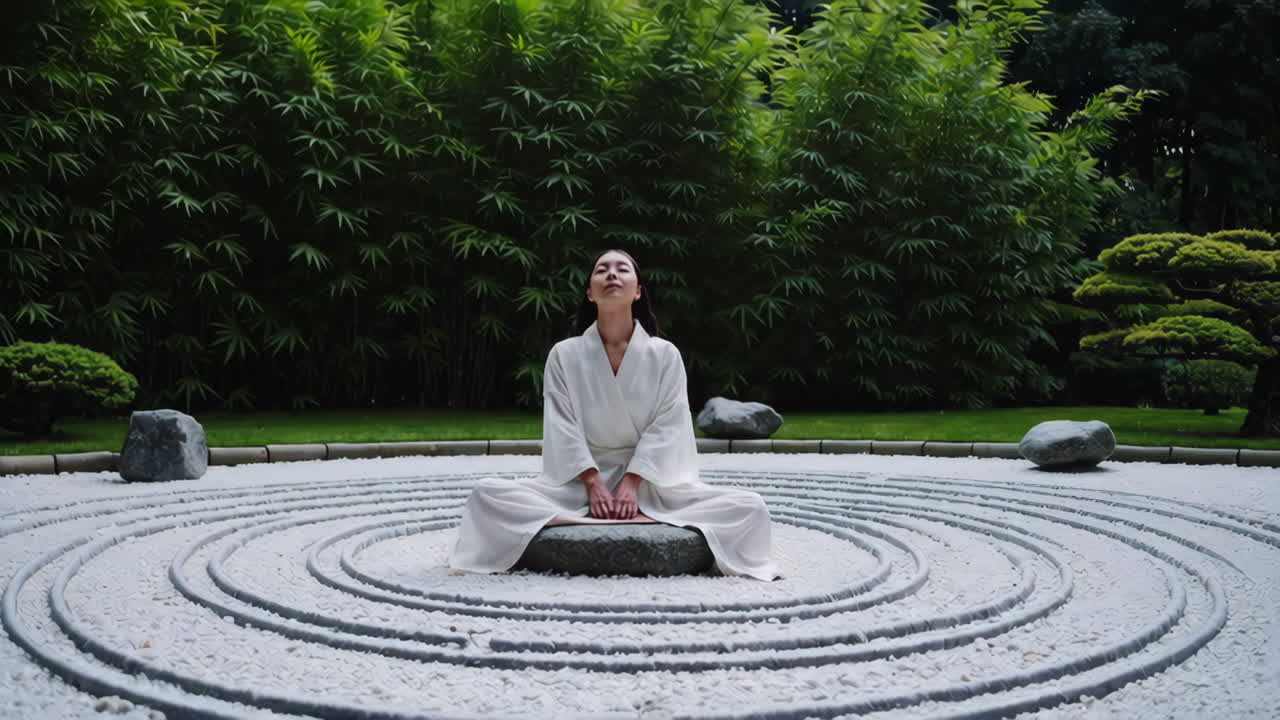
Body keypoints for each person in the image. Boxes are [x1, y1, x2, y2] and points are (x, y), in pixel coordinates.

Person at [447, 249, 778, 580]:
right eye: (601, 270)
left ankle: (620, 515)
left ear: (637, 291)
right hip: (579, 483)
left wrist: (632, 482)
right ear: (590, 292)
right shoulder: (564, 355)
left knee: (749, 506)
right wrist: (594, 483)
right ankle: (617, 515)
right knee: (486, 494)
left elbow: (668, 426)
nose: (611, 274)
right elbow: (563, 427)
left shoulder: (665, 355)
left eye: (622, 269)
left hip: (651, 483)